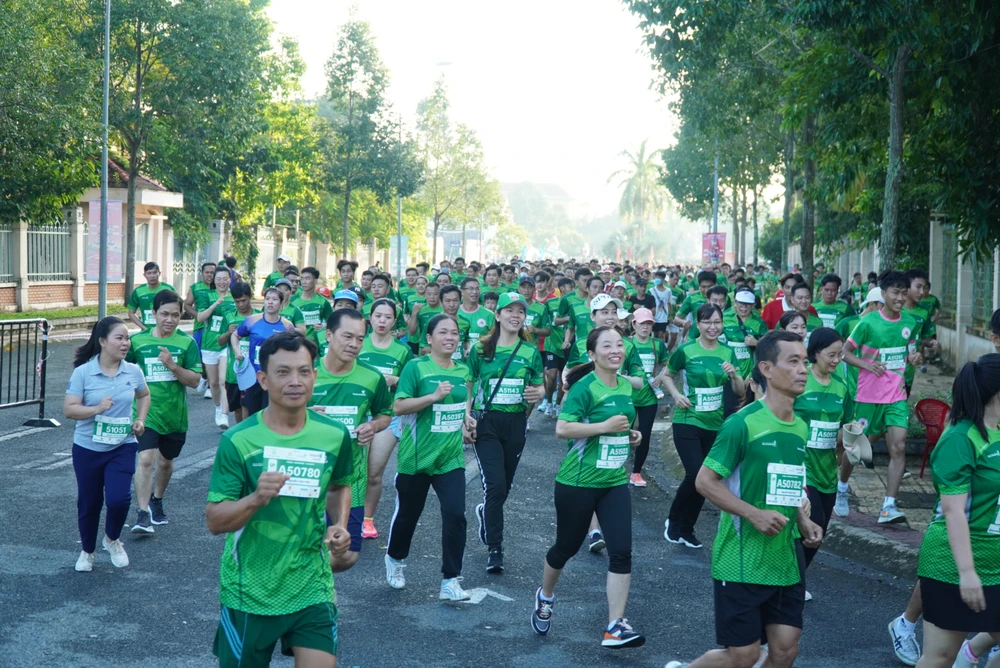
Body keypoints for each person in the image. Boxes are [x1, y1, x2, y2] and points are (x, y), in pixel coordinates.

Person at [665, 331, 823, 668]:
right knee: (744, 655)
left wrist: (803, 519)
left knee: (785, 650)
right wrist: (754, 514)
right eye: (793, 362)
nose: (803, 370)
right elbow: (705, 482)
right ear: (766, 368)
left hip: (785, 556)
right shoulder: (741, 423)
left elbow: (787, 484)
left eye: (805, 362)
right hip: (741, 558)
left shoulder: (800, 427)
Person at [206, 332, 354, 668]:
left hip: (311, 583)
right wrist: (256, 498)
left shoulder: (333, 435)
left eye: (304, 371)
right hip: (250, 590)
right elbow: (215, 520)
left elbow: (338, 486)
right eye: (283, 372)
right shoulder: (238, 440)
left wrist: (340, 526)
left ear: (315, 375)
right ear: (263, 379)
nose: (295, 381)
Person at [531, 326, 645, 649]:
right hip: (577, 483)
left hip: (613, 483)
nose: (616, 350)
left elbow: (622, 423)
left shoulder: (626, 386)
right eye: (607, 345)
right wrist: (604, 427)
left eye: (620, 344)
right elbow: (562, 428)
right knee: (564, 549)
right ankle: (546, 596)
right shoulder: (584, 388)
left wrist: (629, 435)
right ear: (592, 354)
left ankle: (615, 626)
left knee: (621, 551)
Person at [912, 355, 1000, 668]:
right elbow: (953, 512)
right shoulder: (961, 439)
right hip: (955, 563)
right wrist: (967, 572)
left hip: (996, 559)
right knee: (939, 658)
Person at [385, 314, 473, 601]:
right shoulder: (415, 367)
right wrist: (432, 397)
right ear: (429, 338)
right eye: (444, 333)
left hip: (450, 458)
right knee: (409, 516)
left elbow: (462, 402)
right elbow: (398, 406)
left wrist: (466, 420)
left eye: (455, 333)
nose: (450, 337)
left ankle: (450, 580)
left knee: (455, 515)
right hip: (417, 457)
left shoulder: (462, 370)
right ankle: (395, 560)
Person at [307, 309, 392, 572]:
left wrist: (372, 425)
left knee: (348, 554)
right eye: (347, 337)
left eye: (359, 338)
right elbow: (273, 415)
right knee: (305, 549)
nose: (354, 345)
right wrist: (303, 414)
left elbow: (385, 414)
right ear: (329, 335)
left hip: (349, 480)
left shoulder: (372, 377)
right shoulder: (306, 373)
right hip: (307, 478)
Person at [467, 293, 545, 573]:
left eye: (520, 311)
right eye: (509, 310)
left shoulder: (529, 351)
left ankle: (486, 512)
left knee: (503, 487)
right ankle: (495, 548)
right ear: (497, 315)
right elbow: (469, 382)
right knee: (496, 486)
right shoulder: (480, 349)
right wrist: (466, 415)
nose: (515, 315)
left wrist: (540, 392)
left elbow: (539, 386)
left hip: (515, 424)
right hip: (486, 422)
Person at [65, 317, 150, 571]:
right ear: (102, 341)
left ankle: (112, 539)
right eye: (120, 338)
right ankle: (87, 551)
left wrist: (140, 419)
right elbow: (69, 410)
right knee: (89, 502)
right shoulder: (83, 373)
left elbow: (144, 395)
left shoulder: (133, 371)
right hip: (87, 448)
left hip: (122, 445)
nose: (126, 343)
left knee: (119, 499)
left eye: (127, 338)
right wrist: (96, 408)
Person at [663, 303, 745, 549]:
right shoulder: (686, 350)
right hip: (687, 419)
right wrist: (676, 395)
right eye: (707, 322)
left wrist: (734, 376)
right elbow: (666, 374)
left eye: (717, 322)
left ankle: (687, 529)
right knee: (694, 474)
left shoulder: (728, 352)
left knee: (706, 479)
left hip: (715, 424)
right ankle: (674, 521)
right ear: (698, 324)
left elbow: (740, 393)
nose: (713, 327)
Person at [843, 270, 920, 524]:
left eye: (903, 292)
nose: (900, 297)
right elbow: (845, 353)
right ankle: (841, 488)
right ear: (883, 294)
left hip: (896, 396)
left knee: (898, 446)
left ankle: (888, 506)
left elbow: (910, 353)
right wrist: (866, 365)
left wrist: (915, 358)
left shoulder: (910, 322)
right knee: (857, 448)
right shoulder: (867, 323)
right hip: (868, 396)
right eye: (895, 293)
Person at [127, 290, 203, 533]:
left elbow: (194, 381)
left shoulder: (187, 343)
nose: (169, 320)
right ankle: (141, 514)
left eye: (175, 315)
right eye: (164, 314)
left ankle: (156, 501)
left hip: (174, 415)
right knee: (146, 458)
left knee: (166, 462)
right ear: (153, 314)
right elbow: (122, 370)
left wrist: (171, 365)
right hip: (145, 411)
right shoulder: (138, 342)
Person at [792, 328, 852, 594]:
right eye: (831, 354)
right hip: (802, 465)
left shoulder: (841, 386)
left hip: (828, 466)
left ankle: (795, 576)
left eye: (840, 354)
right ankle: (792, 582)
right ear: (815, 353)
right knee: (810, 524)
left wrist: (850, 439)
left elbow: (846, 424)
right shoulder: (800, 380)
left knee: (820, 533)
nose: (837, 359)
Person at [359, 299, 414, 539]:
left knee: (373, 472)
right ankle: (344, 514)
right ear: (369, 318)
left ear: (394, 321)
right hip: (357, 414)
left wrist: (397, 380)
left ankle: (367, 519)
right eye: (378, 315)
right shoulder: (358, 344)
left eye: (388, 317)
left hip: (388, 416)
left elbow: (413, 383)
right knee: (351, 470)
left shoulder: (402, 350)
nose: (382, 321)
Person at [232, 288, 295, 416]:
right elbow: (235, 335)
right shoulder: (252, 320)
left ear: (281, 304)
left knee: (270, 413)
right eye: (267, 299)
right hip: (253, 376)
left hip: (274, 378)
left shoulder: (287, 326)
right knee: (251, 411)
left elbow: (293, 350)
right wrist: (237, 352)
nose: (270, 302)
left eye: (274, 299)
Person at [197, 266, 235, 429]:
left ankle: (224, 415)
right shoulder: (207, 296)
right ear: (214, 280)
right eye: (218, 279)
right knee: (213, 383)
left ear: (230, 279)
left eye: (225, 278)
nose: (221, 282)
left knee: (222, 381)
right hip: (210, 343)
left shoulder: (235, 297)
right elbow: (200, 318)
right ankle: (218, 407)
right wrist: (215, 305)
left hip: (227, 344)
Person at [219, 282, 258, 425]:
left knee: (248, 406)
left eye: (244, 300)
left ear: (250, 297)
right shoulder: (229, 317)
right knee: (237, 408)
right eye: (237, 301)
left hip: (254, 370)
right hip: (234, 372)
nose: (241, 304)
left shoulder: (259, 316)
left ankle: (247, 435)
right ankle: (240, 433)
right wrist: (227, 333)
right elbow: (220, 342)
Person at [541, 276, 576, 417]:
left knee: (564, 379)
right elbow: (546, 322)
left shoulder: (574, 304)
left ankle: (557, 405)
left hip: (567, 347)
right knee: (551, 375)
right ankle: (548, 402)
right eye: (570, 287)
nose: (573, 290)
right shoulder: (550, 303)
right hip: (552, 345)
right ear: (562, 288)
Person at [183, 262, 217, 396]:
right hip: (200, 327)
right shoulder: (195, 288)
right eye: (207, 272)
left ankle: (210, 385)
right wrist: (197, 316)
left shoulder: (219, 288)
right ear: (202, 273)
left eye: (212, 272)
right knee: (201, 356)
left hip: (215, 328)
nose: (210, 275)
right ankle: (204, 376)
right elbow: (186, 305)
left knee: (213, 355)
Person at [723, 288, 768, 381]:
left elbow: (768, 346)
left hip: (750, 372)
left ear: (753, 305)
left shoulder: (759, 323)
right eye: (741, 303)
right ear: (735, 302)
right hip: (728, 370)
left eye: (748, 304)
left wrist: (756, 342)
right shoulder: (725, 319)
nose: (744, 306)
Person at [292, 267, 334, 356]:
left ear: (315, 281)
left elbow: (332, 322)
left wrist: (324, 326)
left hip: (316, 344)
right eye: (302, 278)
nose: (303, 282)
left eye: (307, 278)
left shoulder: (323, 301)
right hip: (297, 342)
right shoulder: (293, 300)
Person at [127, 262, 175, 331]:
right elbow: (131, 313)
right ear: (144, 275)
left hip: (166, 331)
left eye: (155, 272)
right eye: (149, 273)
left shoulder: (169, 289)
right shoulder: (138, 291)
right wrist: (144, 328)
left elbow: (178, 310)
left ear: (159, 273)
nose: (152, 276)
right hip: (146, 333)